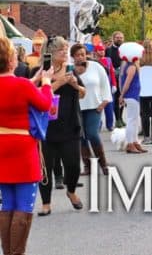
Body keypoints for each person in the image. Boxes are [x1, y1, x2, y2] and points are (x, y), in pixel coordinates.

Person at [0, 37, 53, 255]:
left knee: (7, 205)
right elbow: (45, 104)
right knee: (23, 205)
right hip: (23, 148)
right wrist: (47, 82)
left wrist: (33, 81)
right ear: (12, 61)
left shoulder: (22, 85)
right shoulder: (22, 85)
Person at [38, 36, 86, 216]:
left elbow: (83, 93)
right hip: (46, 127)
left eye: (66, 49)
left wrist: (76, 86)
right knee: (45, 167)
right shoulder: (40, 71)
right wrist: (59, 82)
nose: (65, 53)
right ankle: (46, 203)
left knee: (73, 165)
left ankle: (71, 190)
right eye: (61, 50)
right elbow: (37, 96)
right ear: (50, 53)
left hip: (70, 124)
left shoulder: (71, 70)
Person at [71, 43, 112, 176]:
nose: (81, 57)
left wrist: (104, 101)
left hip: (94, 107)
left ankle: (103, 164)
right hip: (77, 108)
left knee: (92, 134)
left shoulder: (96, 67)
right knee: (82, 136)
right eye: (77, 55)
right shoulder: (70, 70)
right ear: (73, 57)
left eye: (83, 54)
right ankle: (87, 166)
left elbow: (105, 83)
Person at [119, 43, 146, 154]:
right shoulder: (132, 67)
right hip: (132, 95)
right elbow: (127, 83)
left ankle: (135, 142)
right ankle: (130, 143)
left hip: (134, 95)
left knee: (134, 120)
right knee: (131, 120)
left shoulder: (129, 66)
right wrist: (122, 95)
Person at [93, 43, 117, 131]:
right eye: (100, 50)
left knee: (109, 107)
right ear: (96, 51)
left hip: (108, 86)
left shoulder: (108, 60)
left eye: (103, 50)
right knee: (98, 106)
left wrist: (114, 84)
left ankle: (110, 125)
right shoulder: (93, 61)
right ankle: (98, 124)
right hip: (97, 87)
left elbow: (112, 73)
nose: (102, 52)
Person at [105, 31, 125, 127]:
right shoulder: (108, 50)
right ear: (113, 38)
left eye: (121, 37)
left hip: (123, 77)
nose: (119, 39)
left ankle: (121, 117)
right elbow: (106, 63)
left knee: (122, 97)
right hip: (113, 77)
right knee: (116, 98)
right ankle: (117, 119)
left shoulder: (125, 49)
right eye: (117, 37)